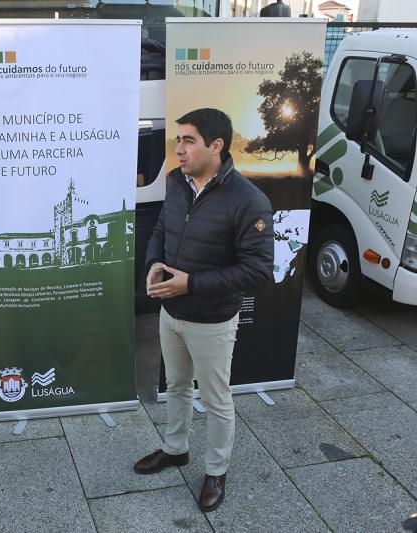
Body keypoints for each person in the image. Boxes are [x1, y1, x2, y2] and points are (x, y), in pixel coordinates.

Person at [133, 108, 273, 512]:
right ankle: (175, 449)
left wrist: (191, 283)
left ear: (216, 146)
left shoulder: (249, 200)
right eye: (177, 140)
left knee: (216, 399)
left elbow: (258, 270)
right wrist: (153, 264)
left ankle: (216, 470)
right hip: (171, 312)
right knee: (176, 386)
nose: (178, 149)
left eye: (188, 140)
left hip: (212, 320)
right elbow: (161, 231)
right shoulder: (177, 183)